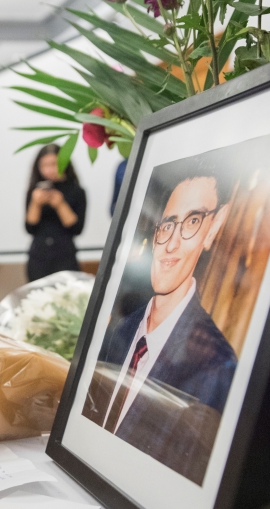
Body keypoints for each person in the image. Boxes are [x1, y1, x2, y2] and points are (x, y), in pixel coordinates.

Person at [82, 175, 238, 483]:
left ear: (215, 226)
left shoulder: (216, 365)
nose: (171, 243)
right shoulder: (122, 332)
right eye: (166, 226)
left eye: (192, 221)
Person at [24, 144, 87, 281]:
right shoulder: (34, 191)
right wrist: (35, 203)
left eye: (54, 164)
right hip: (38, 256)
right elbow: (30, 227)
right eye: (44, 165)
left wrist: (60, 204)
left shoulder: (76, 191)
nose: (49, 170)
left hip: (65, 255)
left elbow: (76, 228)